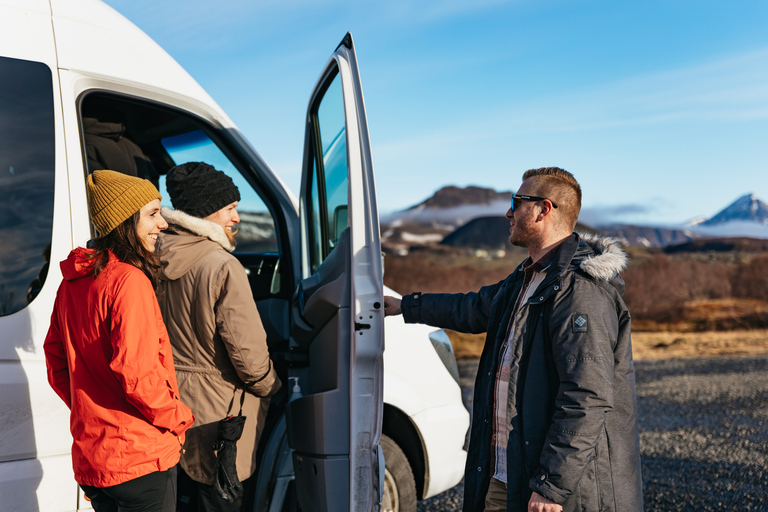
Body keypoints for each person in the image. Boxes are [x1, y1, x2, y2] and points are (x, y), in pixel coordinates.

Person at [384, 167, 642, 512]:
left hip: (554, 489)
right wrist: (405, 305)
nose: (508, 212)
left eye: (517, 202)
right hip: (509, 472)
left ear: (543, 209)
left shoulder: (580, 292)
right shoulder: (526, 279)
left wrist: (552, 487)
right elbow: (471, 308)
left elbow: (586, 397)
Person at [44, 170, 195, 512]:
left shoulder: (72, 283)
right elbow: (138, 375)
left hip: (94, 460)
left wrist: (91, 409)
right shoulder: (128, 280)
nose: (164, 224)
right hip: (139, 457)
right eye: (153, 214)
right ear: (126, 221)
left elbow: (56, 361)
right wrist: (178, 419)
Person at [155, 162, 282, 512]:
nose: (237, 217)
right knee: (220, 499)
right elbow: (249, 357)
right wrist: (272, 387)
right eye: (230, 208)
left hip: (168, 405)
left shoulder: (152, 258)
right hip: (220, 416)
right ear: (205, 211)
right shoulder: (222, 266)